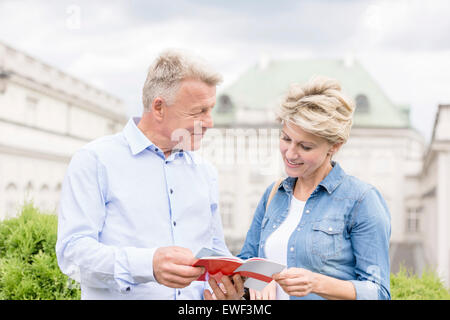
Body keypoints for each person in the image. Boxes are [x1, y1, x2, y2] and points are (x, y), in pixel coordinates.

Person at [56, 49, 239, 299]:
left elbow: (215, 252)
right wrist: (148, 265)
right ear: (159, 107)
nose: (209, 122)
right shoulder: (95, 161)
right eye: (198, 112)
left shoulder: (205, 172)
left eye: (211, 110)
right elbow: (72, 254)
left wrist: (230, 288)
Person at [206, 76, 391, 300]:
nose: (291, 153)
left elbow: (378, 292)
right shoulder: (274, 194)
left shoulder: (362, 200)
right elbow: (249, 262)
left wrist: (317, 283)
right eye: (286, 138)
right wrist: (244, 286)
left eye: (305, 146)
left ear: (334, 146)